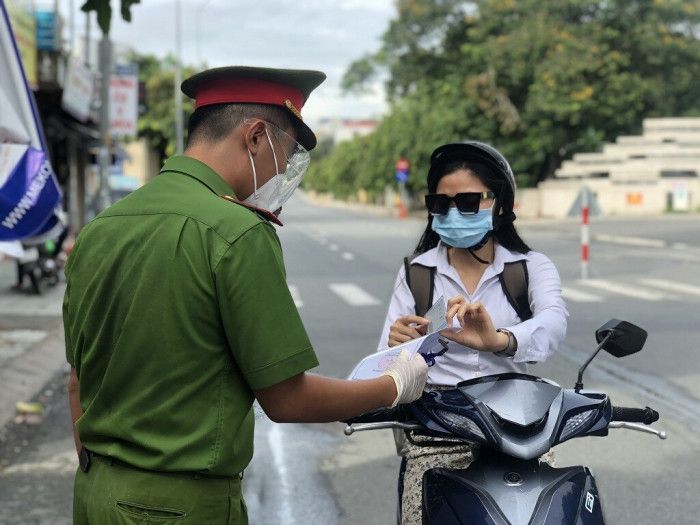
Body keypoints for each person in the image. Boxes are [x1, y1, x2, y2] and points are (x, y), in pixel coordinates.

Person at [63, 66, 428, 525]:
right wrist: (393, 385)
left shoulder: (101, 228)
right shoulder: (236, 231)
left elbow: (77, 380)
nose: (283, 172)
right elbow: (287, 399)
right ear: (255, 136)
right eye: (287, 154)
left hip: (94, 493)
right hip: (180, 507)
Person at [377, 141, 568, 523]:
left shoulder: (529, 268)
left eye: (468, 202)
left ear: (499, 203)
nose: (452, 212)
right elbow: (384, 362)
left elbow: (554, 321)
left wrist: (499, 340)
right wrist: (398, 348)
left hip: (518, 433)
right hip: (435, 434)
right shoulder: (417, 273)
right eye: (441, 203)